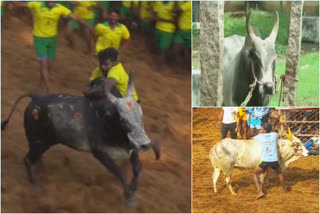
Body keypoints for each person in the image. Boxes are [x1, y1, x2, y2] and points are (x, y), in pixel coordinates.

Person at [13, 1, 94, 93]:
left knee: (49, 66)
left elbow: (76, 18)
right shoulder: (37, 4)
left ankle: (42, 83)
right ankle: (48, 91)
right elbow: (19, 4)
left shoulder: (59, 8)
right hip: (39, 39)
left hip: (52, 40)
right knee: (43, 64)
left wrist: (89, 27)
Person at [253, 122, 287, 200]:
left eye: (262, 129)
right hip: (274, 160)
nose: (261, 129)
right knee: (280, 173)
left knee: (254, 173)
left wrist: (260, 133)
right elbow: (279, 134)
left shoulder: (260, 137)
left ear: (264, 130)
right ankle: (284, 190)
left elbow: (252, 139)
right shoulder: (274, 135)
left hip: (265, 161)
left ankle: (259, 192)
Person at [153, 1, 176, 66]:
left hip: (167, 31)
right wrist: (154, 15)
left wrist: (161, 19)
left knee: (163, 50)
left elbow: (175, 20)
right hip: (158, 28)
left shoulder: (173, 4)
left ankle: (162, 66)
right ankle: (159, 65)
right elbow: (156, 12)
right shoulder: (159, 2)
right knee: (158, 48)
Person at [173, 1, 191, 71]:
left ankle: (189, 69)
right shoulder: (185, 3)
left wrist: (175, 2)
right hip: (181, 32)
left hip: (190, 32)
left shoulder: (189, 3)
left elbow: (175, 10)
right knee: (175, 50)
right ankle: (180, 68)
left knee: (191, 53)